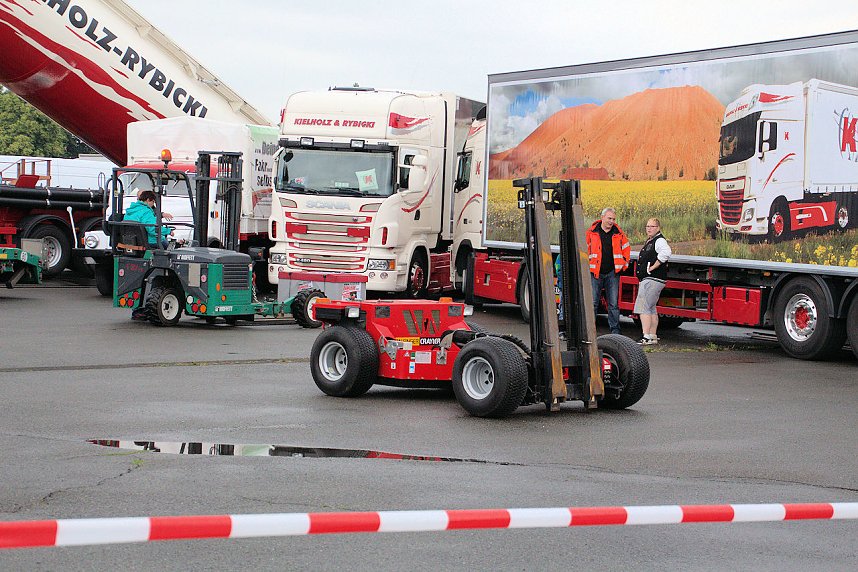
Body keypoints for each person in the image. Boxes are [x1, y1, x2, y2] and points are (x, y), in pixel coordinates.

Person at [585, 207, 630, 335]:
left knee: (613, 304)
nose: (611, 221)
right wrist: (589, 266)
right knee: (593, 303)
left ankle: (615, 331)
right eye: (609, 218)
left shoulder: (618, 233)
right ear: (603, 217)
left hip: (612, 273)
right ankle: (590, 331)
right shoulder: (592, 232)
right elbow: (584, 250)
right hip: (596, 273)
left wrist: (624, 265)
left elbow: (626, 249)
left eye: (613, 219)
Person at [634, 218, 672, 345]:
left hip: (651, 279)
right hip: (654, 279)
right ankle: (652, 335)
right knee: (651, 308)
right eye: (647, 226)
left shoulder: (659, 240)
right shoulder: (652, 240)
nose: (649, 229)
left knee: (643, 307)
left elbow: (666, 253)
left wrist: (653, 267)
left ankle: (646, 337)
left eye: (652, 226)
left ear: (658, 228)